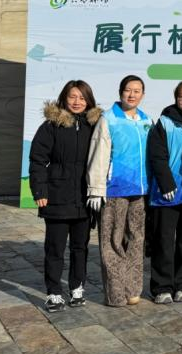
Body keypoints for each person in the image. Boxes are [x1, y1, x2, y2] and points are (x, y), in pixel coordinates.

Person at [29, 80, 101, 312]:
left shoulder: (96, 125)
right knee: (55, 248)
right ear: (64, 98)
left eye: (82, 97)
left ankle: (77, 288)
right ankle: (54, 293)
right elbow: (38, 159)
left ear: (88, 100)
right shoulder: (52, 126)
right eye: (72, 96)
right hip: (57, 196)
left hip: (84, 197)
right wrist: (40, 190)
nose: (77, 101)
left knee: (80, 247)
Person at [87, 75, 152, 307]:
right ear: (121, 92)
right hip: (114, 190)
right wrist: (96, 188)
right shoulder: (109, 119)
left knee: (136, 239)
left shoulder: (146, 121)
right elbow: (98, 154)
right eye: (128, 90)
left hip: (140, 191)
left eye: (137, 91)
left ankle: (132, 289)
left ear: (142, 94)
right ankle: (115, 293)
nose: (132, 95)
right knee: (112, 241)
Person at [147, 80, 182, 305]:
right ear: (176, 99)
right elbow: (157, 155)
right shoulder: (165, 122)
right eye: (181, 96)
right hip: (166, 193)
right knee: (163, 241)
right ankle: (162, 287)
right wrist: (166, 184)